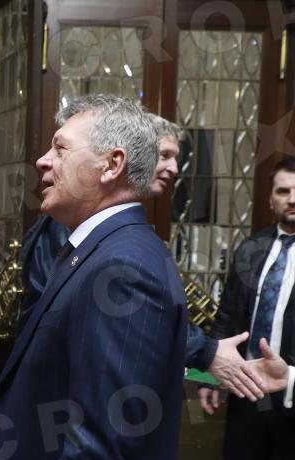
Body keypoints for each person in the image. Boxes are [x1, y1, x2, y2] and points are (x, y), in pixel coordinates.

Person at [0, 94, 188, 460]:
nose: (42, 161)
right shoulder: (93, 251)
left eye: (60, 148)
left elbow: (101, 445)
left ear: (112, 165)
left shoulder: (123, 268)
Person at [19, 114, 263, 400]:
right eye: (164, 155)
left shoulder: (114, 223)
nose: (174, 167)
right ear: (129, 157)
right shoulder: (80, 223)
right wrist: (206, 352)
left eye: (176, 157)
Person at [198, 154, 295, 460]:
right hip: (249, 392)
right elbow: (227, 317)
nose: (293, 198)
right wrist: (210, 373)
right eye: (283, 191)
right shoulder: (251, 248)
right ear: (270, 199)